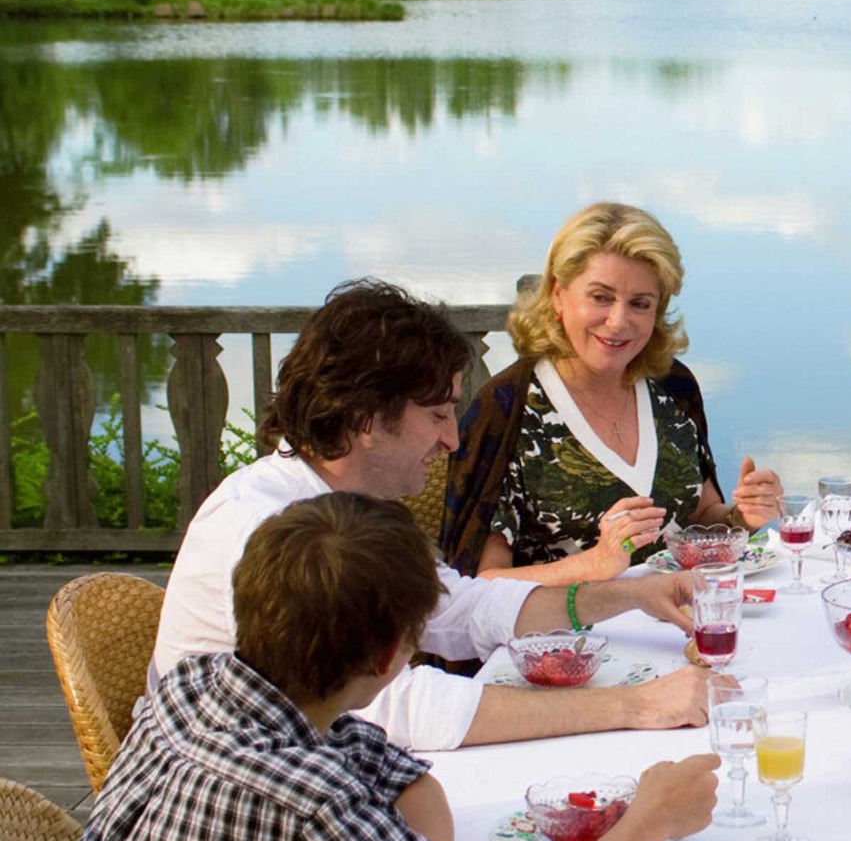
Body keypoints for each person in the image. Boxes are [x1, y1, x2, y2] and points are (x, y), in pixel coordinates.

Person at [78, 491, 721, 841]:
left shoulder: (200, 684)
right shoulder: (302, 803)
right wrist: (648, 820)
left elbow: (403, 776)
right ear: (391, 656)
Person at [152, 278, 714, 752]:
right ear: (368, 417)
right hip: (234, 822)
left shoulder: (340, 506)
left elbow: (458, 609)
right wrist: (636, 705)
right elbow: (405, 709)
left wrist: (631, 595)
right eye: (438, 415)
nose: (451, 440)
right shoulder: (266, 529)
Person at [442, 202, 783, 583]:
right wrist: (594, 565)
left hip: (678, 626)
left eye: (640, 303)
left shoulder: (673, 386)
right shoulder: (505, 409)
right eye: (600, 297)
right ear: (558, 294)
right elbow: (479, 586)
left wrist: (743, 518)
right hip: (566, 638)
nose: (618, 322)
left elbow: (700, 517)